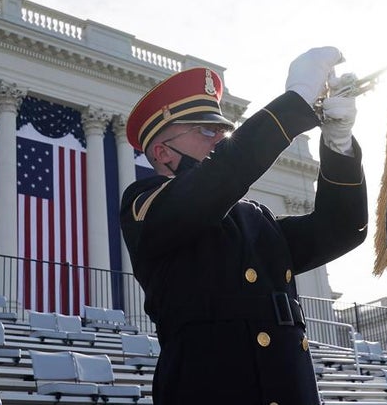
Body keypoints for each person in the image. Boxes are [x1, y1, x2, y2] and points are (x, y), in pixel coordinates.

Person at [119, 48, 367, 405]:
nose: (221, 138)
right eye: (207, 130)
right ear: (163, 153)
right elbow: (215, 182)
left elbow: (342, 228)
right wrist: (294, 102)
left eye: (224, 129)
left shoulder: (256, 218)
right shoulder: (145, 203)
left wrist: (338, 143)